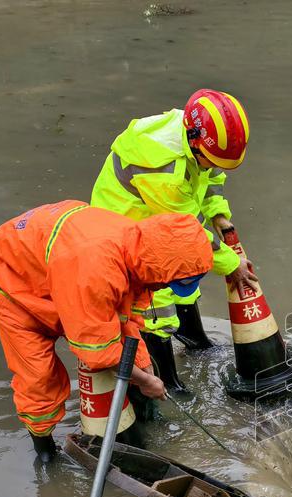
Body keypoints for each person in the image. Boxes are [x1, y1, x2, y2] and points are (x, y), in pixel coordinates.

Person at [0, 200, 214, 462]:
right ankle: (44, 449)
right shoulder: (97, 271)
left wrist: (143, 367)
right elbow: (96, 351)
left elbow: (127, 318)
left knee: (120, 340)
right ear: (158, 270)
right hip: (10, 271)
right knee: (38, 372)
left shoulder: (143, 247)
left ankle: (143, 419)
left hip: (61, 258)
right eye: (167, 282)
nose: (161, 288)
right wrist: (146, 381)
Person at [91, 89, 255, 391]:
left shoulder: (198, 134)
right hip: (128, 224)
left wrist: (219, 214)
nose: (215, 166)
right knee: (157, 297)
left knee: (186, 277)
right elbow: (188, 232)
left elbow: (211, 177)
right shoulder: (165, 170)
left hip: (163, 213)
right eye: (212, 160)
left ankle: (194, 339)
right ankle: (167, 379)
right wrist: (233, 264)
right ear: (195, 144)